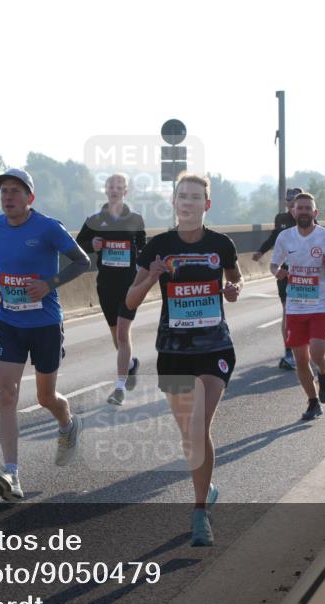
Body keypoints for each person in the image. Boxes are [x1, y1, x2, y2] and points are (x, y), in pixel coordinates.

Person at [126, 173, 242, 547]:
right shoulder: (158, 247)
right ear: (174, 203)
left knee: (196, 427)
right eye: (182, 197)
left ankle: (198, 513)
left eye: (195, 197)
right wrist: (151, 278)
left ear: (206, 205)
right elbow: (129, 301)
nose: (188, 202)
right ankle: (206, 488)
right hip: (173, 352)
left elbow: (235, 281)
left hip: (214, 349)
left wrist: (232, 289)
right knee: (189, 437)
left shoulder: (221, 244)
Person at [0, 168, 91, 501]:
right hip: (9, 323)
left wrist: (49, 284)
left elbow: (82, 261)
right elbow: (2, 262)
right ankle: (12, 474)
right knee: (6, 392)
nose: (8, 197)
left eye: (15, 191)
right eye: (4, 192)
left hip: (44, 324)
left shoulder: (48, 228)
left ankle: (67, 423)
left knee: (46, 397)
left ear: (30, 198)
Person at [270, 192, 325, 421]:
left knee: (317, 352)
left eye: (307, 208)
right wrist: (278, 272)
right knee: (301, 359)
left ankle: (323, 372)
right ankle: (313, 402)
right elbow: (273, 264)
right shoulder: (285, 237)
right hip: (295, 307)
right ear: (293, 211)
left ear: (315, 212)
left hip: (321, 304)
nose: (303, 211)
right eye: (299, 208)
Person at [76, 174, 146, 406]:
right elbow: (76, 248)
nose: (114, 190)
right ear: (105, 190)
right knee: (117, 337)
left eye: (119, 187)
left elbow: (143, 251)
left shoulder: (136, 220)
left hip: (129, 286)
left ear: (126, 191)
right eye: (111, 186)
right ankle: (131, 364)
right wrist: (91, 245)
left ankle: (119, 388)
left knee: (124, 335)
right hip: (106, 285)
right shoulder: (95, 220)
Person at [252, 186, 302, 371]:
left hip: (305, 274)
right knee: (288, 310)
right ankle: (289, 352)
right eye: (289, 200)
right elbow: (274, 236)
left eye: (295, 200)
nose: (291, 203)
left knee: (304, 311)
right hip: (285, 272)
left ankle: (304, 348)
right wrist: (260, 250)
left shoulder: (308, 219)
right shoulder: (281, 219)